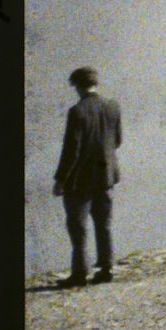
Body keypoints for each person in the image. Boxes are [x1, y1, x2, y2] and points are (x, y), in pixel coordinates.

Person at [53, 65, 123, 288]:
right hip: (106, 177)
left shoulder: (77, 111)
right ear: (96, 83)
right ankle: (106, 268)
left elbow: (71, 150)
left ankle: (79, 274)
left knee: (78, 227)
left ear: (77, 86)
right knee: (104, 224)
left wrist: (60, 179)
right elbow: (118, 140)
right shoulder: (113, 106)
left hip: (80, 181)